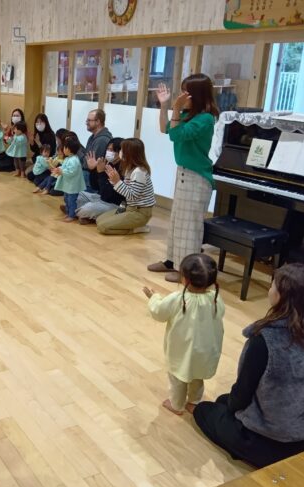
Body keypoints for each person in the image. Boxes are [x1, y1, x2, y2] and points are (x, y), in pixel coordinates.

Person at [193, 263, 304, 468]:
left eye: (273, 285)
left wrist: (232, 411)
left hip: (263, 441)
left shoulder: (266, 340)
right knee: (222, 400)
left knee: (203, 410)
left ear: (282, 296)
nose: (269, 289)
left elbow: (242, 394)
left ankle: (243, 448)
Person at [147, 74, 219, 283]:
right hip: (184, 173)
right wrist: (164, 107)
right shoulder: (188, 114)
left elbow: (177, 135)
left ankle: (188, 272)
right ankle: (171, 261)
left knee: (190, 227)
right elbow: (165, 129)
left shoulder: (205, 119)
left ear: (196, 95)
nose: (181, 96)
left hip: (197, 176)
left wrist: (176, 109)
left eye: (185, 92)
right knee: (177, 221)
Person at [143, 254, 225, 416]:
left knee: (177, 378)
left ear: (185, 279)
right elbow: (220, 314)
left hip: (182, 351)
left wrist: (153, 298)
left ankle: (176, 404)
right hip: (205, 351)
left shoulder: (178, 299)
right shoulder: (215, 298)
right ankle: (194, 402)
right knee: (197, 376)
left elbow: (159, 312)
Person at [96, 138, 155, 235]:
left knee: (102, 227)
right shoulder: (129, 168)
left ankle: (137, 228)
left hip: (140, 212)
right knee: (99, 220)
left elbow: (132, 196)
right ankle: (133, 225)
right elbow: (126, 189)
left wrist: (117, 182)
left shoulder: (139, 172)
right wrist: (114, 181)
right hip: (129, 207)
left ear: (130, 153)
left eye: (122, 150)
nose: (120, 152)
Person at [77, 137, 125, 223]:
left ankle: (78, 212)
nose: (109, 152)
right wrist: (93, 169)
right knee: (77, 194)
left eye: (112, 150)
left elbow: (108, 195)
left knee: (87, 208)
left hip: (115, 204)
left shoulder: (124, 169)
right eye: (108, 149)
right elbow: (95, 186)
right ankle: (84, 214)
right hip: (102, 199)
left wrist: (101, 173)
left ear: (120, 152)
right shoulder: (107, 163)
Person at [51, 135, 84, 222]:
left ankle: (71, 215)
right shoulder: (68, 158)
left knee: (72, 200)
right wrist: (58, 169)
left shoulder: (74, 160)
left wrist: (61, 171)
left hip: (72, 186)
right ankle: (68, 212)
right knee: (67, 199)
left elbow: (71, 172)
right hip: (68, 185)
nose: (63, 149)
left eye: (65, 148)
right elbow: (64, 167)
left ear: (69, 149)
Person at [81, 109, 113, 192]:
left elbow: (94, 165)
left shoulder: (102, 140)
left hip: (92, 179)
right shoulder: (93, 137)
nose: (86, 123)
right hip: (87, 176)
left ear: (98, 121)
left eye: (89, 120)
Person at [27, 113, 56, 179]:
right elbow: (34, 150)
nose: (39, 124)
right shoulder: (38, 133)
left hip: (46, 159)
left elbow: (49, 152)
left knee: (27, 173)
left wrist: (38, 143)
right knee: (24, 164)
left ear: (46, 122)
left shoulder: (50, 135)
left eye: (41, 122)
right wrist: (31, 142)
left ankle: (43, 174)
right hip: (38, 157)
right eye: (37, 122)